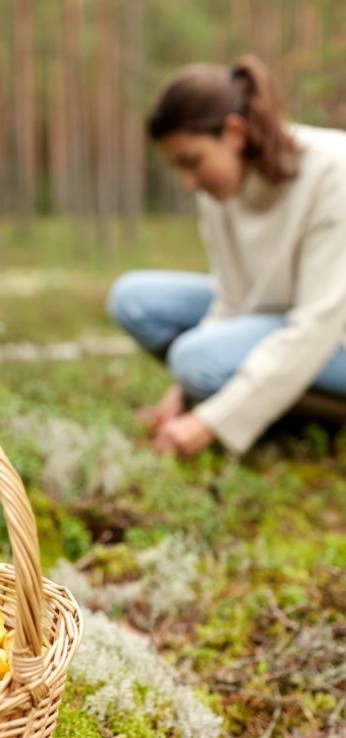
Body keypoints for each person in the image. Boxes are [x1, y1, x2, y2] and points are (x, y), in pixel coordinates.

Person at [107, 55, 346, 456]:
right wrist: (182, 393)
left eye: (192, 161)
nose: (188, 181)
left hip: (334, 336)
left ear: (234, 132)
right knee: (132, 299)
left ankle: (295, 420)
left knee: (195, 357)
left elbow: (318, 326)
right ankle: (251, 401)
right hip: (281, 320)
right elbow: (231, 301)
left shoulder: (333, 174)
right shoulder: (221, 188)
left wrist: (210, 422)